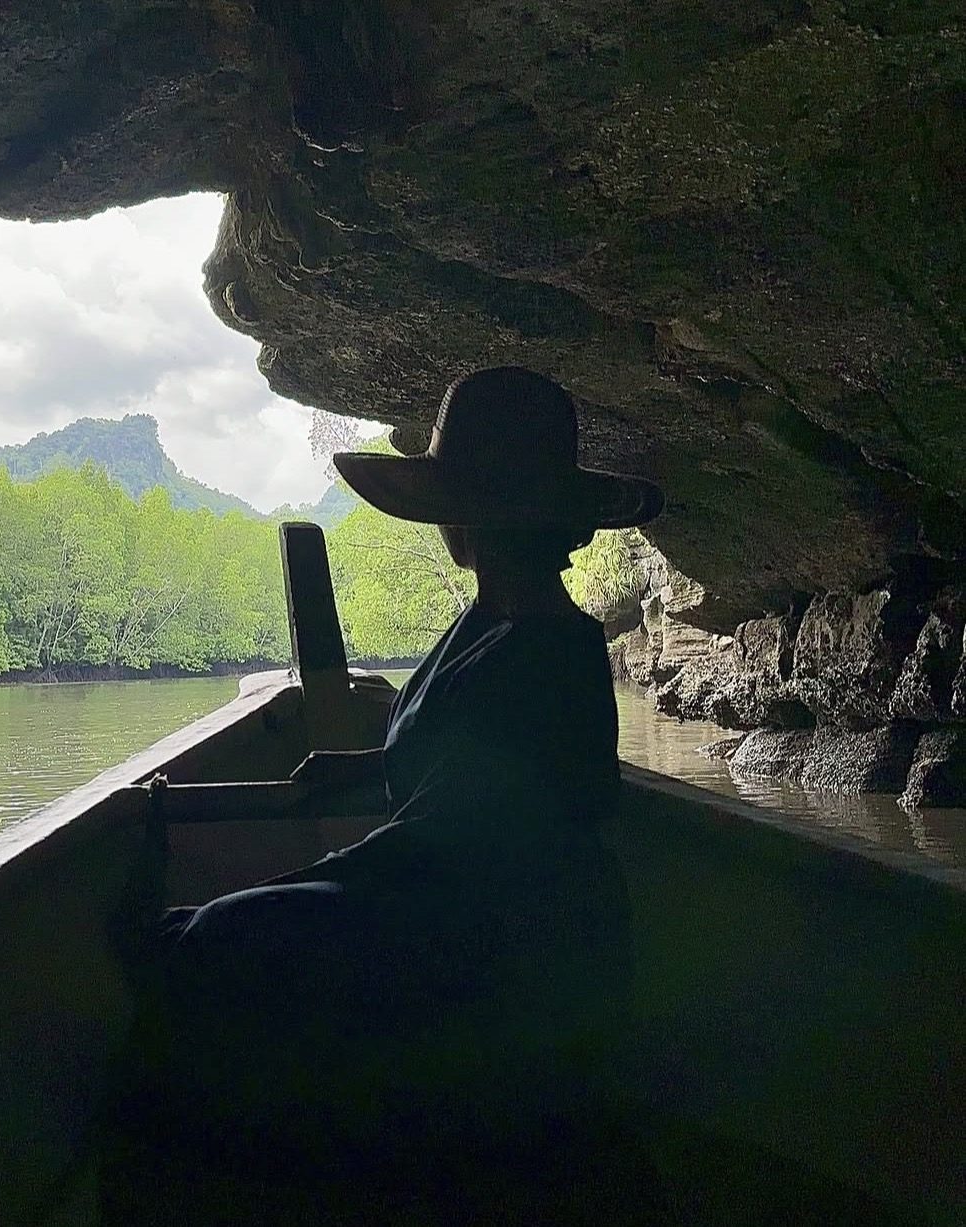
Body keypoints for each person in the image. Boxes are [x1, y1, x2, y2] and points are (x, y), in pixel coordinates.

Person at [101, 366, 665, 1225]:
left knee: (217, 937)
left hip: (508, 933)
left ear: (473, 518)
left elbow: (455, 832)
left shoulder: (547, 650)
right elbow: (465, 760)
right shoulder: (490, 625)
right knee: (235, 931)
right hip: (457, 899)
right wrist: (354, 767)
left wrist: (290, 882)